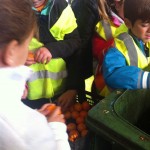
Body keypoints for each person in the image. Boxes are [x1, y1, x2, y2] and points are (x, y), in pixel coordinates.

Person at [0, 0, 70, 149]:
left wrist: (33, 118)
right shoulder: (20, 129)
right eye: (27, 45)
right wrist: (54, 128)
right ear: (11, 51)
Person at [23, 0, 81, 111]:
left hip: (60, 91)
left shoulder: (61, 7)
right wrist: (18, 58)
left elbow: (75, 43)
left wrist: (72, 87)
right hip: (26, 94)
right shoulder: (14, 11)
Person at [102, 0, 150, 94]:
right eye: (144, 25)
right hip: (118, 103)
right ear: (128, 23)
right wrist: (146, 79)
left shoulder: (145, 39)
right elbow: (113, 73)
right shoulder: (119, 47)